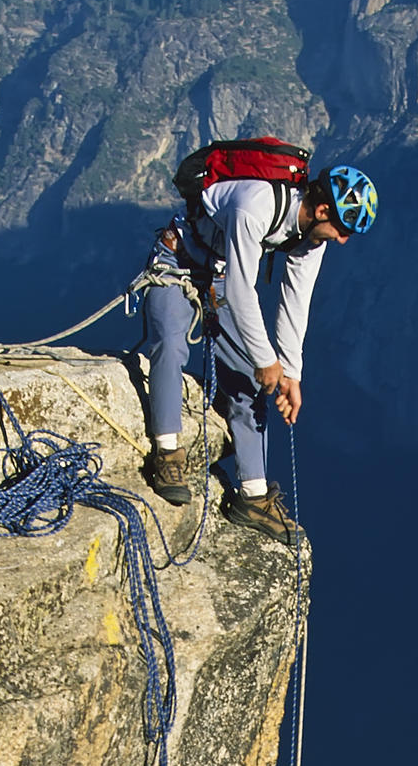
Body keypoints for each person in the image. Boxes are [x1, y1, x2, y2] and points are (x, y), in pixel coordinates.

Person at [137, 162, 378, 543]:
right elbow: (239, 290)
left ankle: (253, 496)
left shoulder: (312, 238)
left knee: (250, 384)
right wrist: (267, 362)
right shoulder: (257, 205)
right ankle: (167, 454)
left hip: (218, 274)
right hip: (176, 260)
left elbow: (296, 303)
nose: (343, 240)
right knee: (170, 343)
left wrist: (291, 375)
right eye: (342, 229)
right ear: (322, 210)